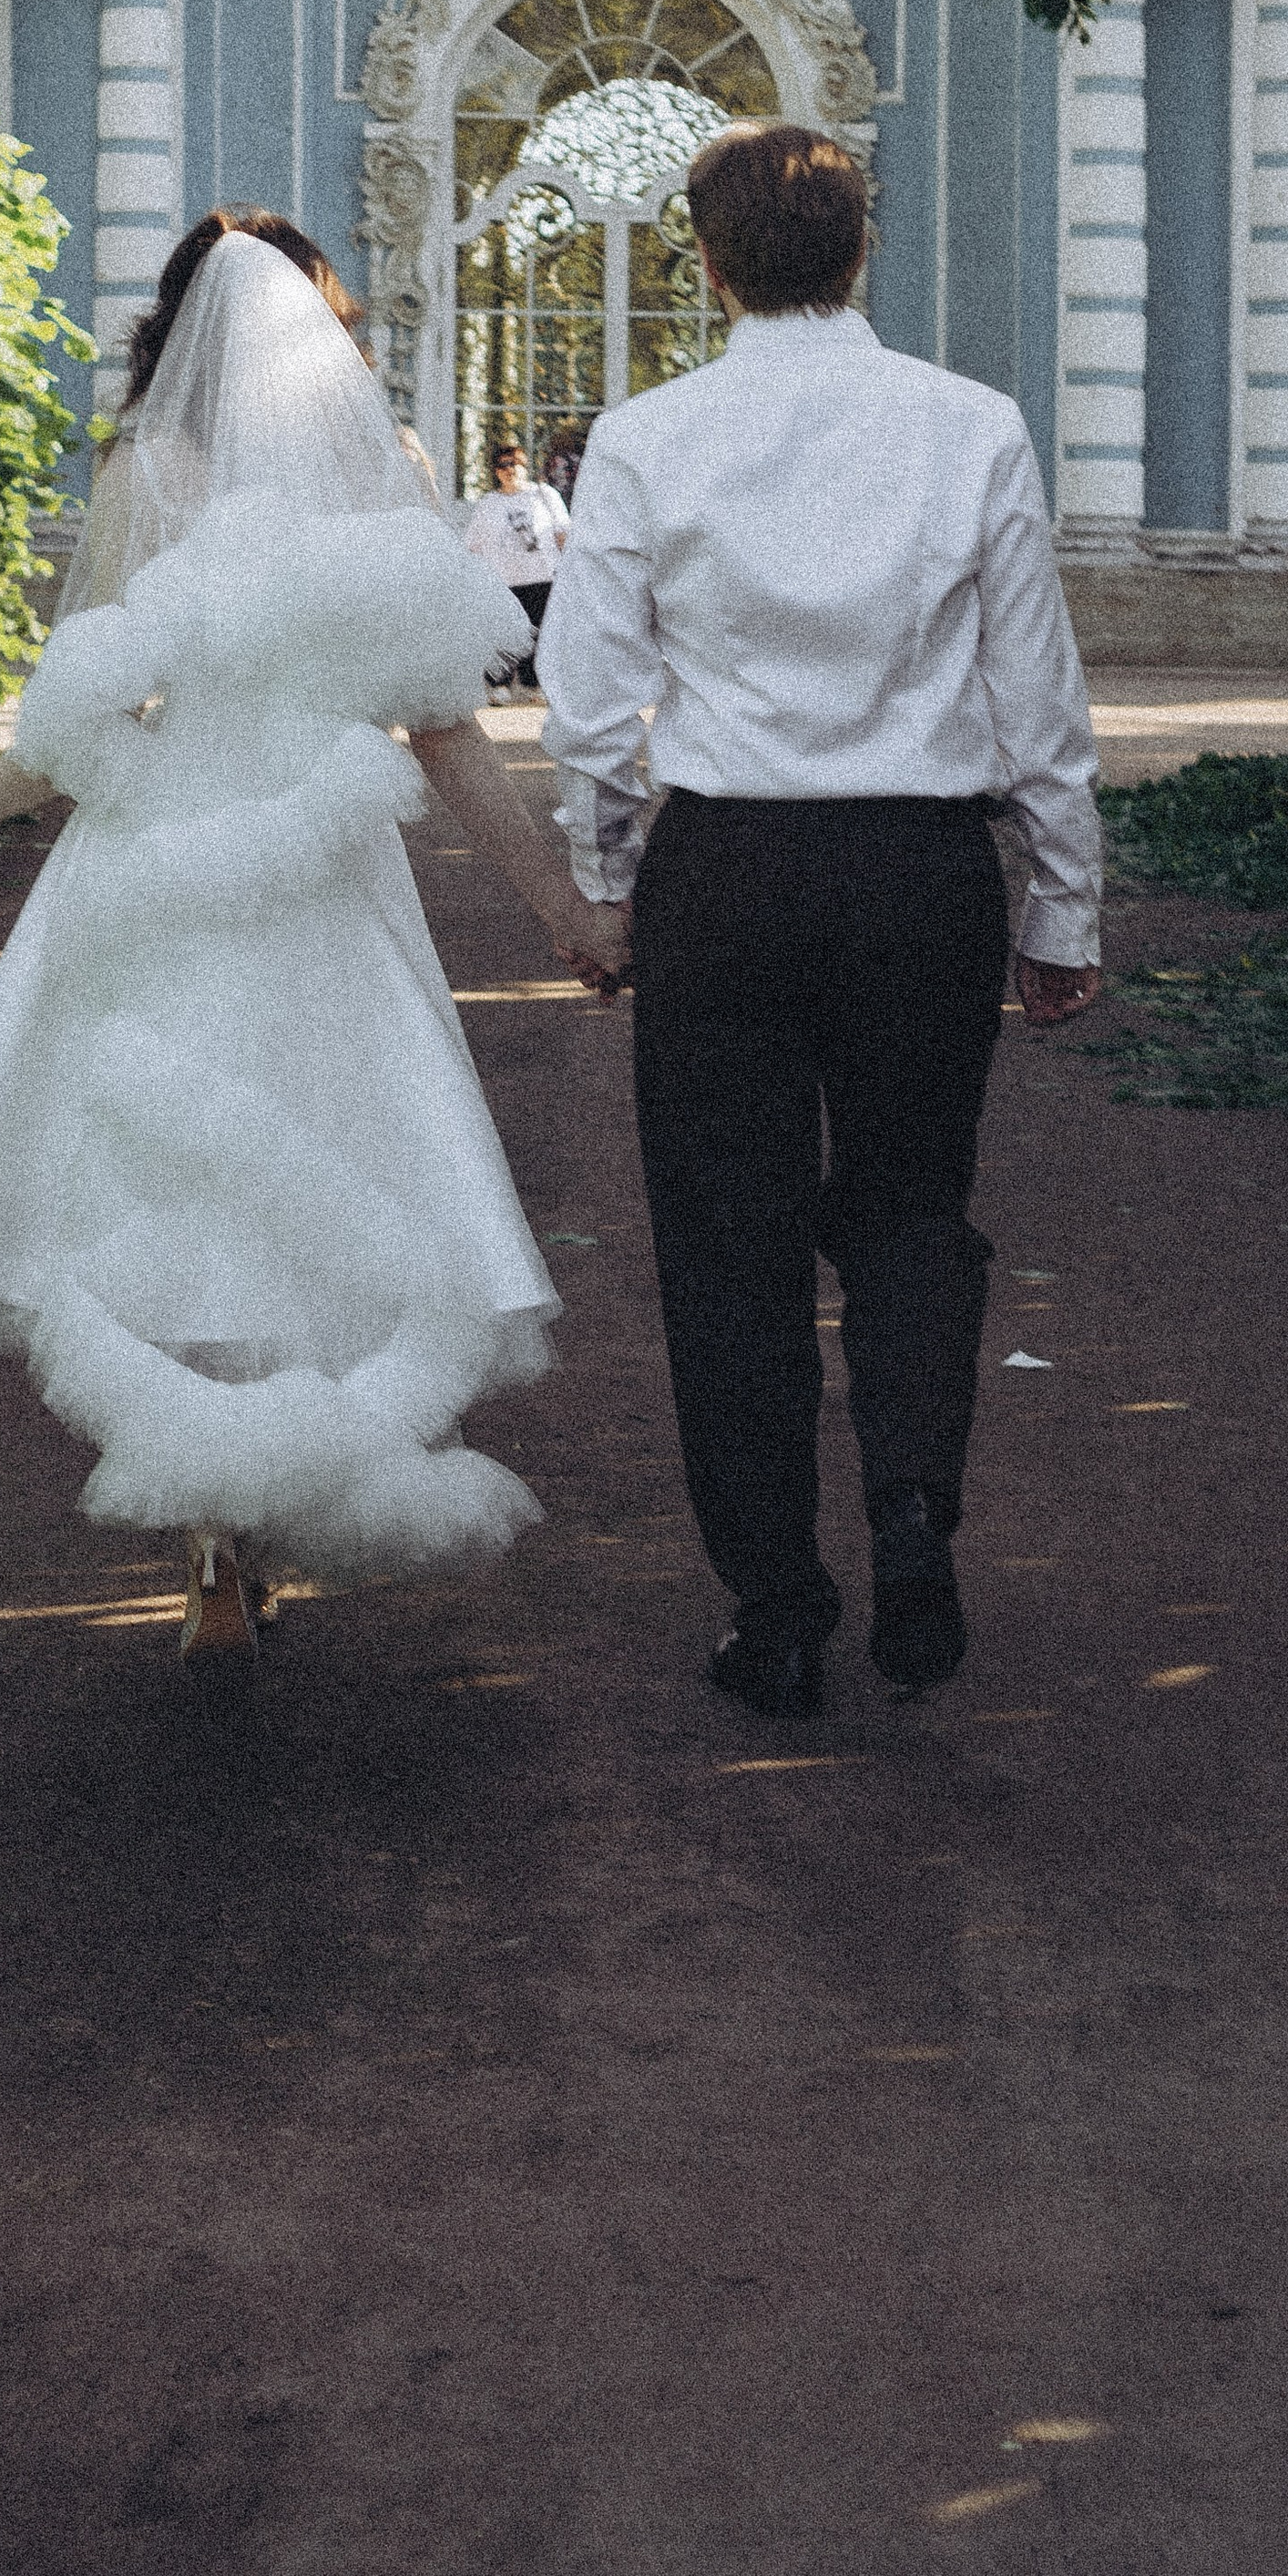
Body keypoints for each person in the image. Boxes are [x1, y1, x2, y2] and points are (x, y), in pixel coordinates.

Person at [0, 206, 628, 1701]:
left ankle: (213, 1527)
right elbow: (451, 743)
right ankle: (259, 1500)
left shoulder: (149, 478)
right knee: (315, 1187)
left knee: (172, 1188)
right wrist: (564, 917)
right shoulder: (382, 487)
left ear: (174, 330)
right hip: (327, 888)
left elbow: (72, 732)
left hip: (152, 882)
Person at [536, 122, 1101, 1721]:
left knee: (730, 1243)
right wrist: (1059, 903)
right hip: (922, 871)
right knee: (917, 1207)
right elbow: (1035, 697)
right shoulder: (972, 427)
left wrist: (608, 880)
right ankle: (914, 1508)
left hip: (729, 874)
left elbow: (587, 711)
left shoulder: (649, 439)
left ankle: (777, 1609)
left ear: (707, 268)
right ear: (863, 252)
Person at [461, 441, 570, 697]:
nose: (509, 470)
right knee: (504, 634)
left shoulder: (543, 495)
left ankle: (535, 685)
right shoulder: (488, 504)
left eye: (515, 463)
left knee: (540, 634)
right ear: (496, 472)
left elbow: (563, 533)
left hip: (542, 576)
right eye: (502, 466)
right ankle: (500, 684)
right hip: (504, 581)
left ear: (525, 466)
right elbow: (472, 544)